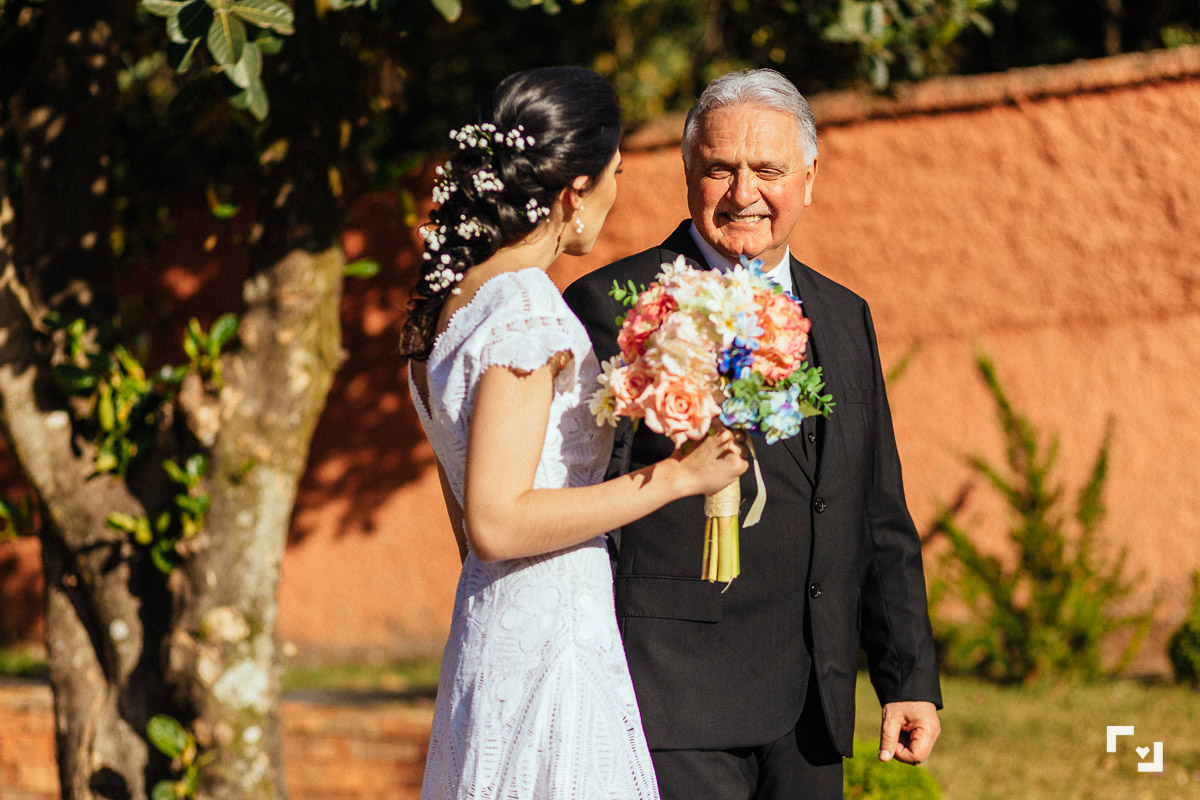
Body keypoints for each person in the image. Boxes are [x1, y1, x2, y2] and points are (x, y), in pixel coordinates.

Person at [563, 68, 943, 799]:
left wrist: (907, 677)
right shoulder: (613, 306)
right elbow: (583, 506)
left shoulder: (845, 315)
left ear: (809, 179)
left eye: (768, 170)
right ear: (687, 176)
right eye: (720, 169)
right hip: (669, 695)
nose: (744, 194)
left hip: (811, 701)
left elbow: (876, 507)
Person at [399, 66, 748, 800]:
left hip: (494, 627)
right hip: (549, 643)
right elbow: (495, 521)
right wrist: (678, 477)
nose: (618, 192)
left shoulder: (446, 313)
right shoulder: (526, 308)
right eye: (615, 174)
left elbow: (468, 523)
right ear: (573, 194)